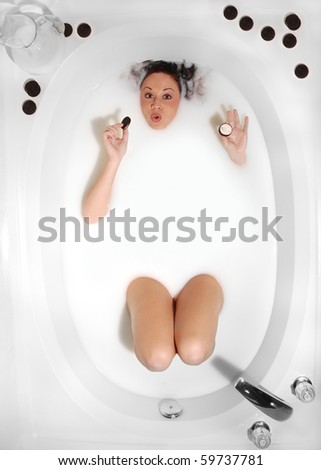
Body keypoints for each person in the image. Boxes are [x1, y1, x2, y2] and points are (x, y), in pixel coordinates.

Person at [83, 60, 249, 372]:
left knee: (194, 350)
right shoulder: (122, 145)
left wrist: (237, 158)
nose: (156, 104)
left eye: (167, 96)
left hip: (203, 268)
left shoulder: (204, 140)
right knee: (156, 358)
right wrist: (114, 160)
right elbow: (92, 218)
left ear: (181, 99)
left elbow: (240, 203)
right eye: (148, 95)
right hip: (145, 272)